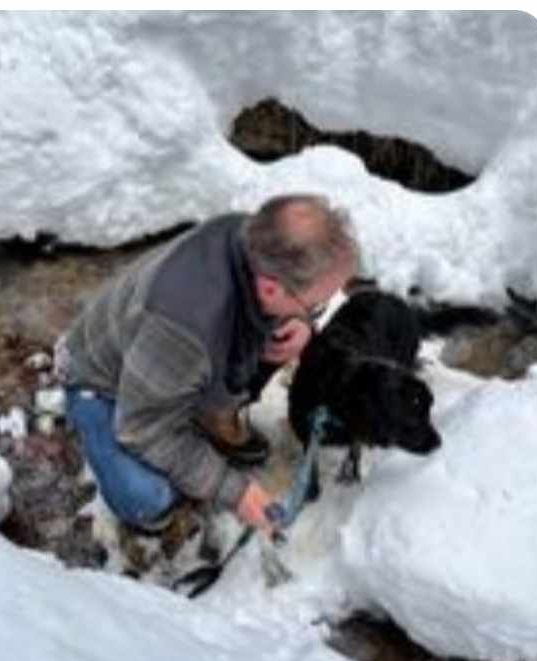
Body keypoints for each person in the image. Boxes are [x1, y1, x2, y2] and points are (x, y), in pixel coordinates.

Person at [57, 193, 358, 544]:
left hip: (165, 359)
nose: (315, 310)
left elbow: (272, 307)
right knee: (148, 499)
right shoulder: (181, 330)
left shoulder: (256, 237)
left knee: (277, 337)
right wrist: (235, 492)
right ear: (271, 288)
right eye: (315, 304)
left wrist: (301, 322)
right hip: (103, 382)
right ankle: (88, 419)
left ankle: (206, 413)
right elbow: (141, 430)